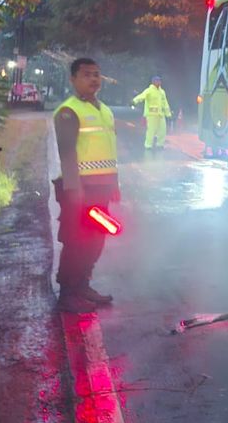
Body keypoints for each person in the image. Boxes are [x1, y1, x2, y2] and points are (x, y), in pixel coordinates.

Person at [54, 58, 119, 314]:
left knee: (95, 239)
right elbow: (67, 152)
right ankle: (68, 293)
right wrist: (74, 189)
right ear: (73, 79)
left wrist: (115, 183)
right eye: (86, 75)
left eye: (97, 74)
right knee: (76, 241)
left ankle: (83, 285)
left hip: (101, 189)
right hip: (79, 189)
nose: (93, 79)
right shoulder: (68, 111)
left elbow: (109, 150)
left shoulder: (104, 110)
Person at [131, 75, 172, 150]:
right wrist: (134, 101)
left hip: (160, 114)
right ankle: (148, 145)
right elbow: (142, 96)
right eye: (157, 81)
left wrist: (168, 114)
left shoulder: (162, 92)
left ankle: (160, 144)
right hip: (151, 114)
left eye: (159, 81)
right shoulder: (149, 90)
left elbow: (165, 103)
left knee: (162, 130)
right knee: (151, 131)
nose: (159, 82)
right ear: (153, 82)